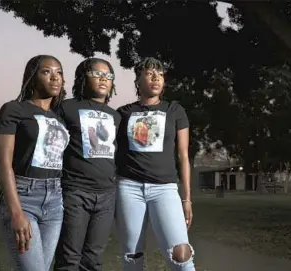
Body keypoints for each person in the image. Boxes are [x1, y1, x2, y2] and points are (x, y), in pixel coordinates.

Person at [0, 55, 69, 271]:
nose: (55, 77)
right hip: (24, 197)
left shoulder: (59, 117)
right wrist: (16, 212)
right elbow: (3, 163)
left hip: (55, 201)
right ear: (32, 77)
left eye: (59, 72)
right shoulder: (14, 110)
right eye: (46, 72)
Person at [115, 57, 195, 271]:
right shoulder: (123, 113)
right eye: (149, 74)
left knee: (181, 253)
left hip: (165, 189)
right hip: (128, 187)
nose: (155, 78)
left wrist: (186, 198)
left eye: (160, 75)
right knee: (132, 256)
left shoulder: (174, 110)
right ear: (138, 80)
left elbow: (183, 156)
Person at [54, 58, 121, 271]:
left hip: (106, 196)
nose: (104, 79)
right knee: (69, 258)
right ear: (83, 77)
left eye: (109, 76)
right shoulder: (67, 108)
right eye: (97, 73)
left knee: (94, 259)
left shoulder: (115, 115)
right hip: (75, 191)